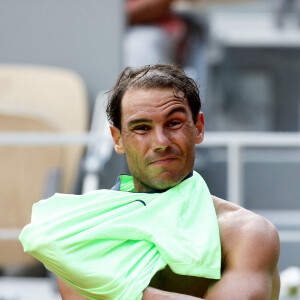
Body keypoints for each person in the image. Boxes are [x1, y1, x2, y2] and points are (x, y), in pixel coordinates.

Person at [21, 64, 280, 300]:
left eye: (174, 123)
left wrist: (123, 289)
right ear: (117, 139)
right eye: (142, 128)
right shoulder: (84, 232)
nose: (161, 142)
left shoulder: (246, 233)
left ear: (198, 128)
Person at [123, 0, 187, 67]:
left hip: (155, 27)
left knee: (139, 44)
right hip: (122, 29)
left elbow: (159, 4)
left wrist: (117, 15)